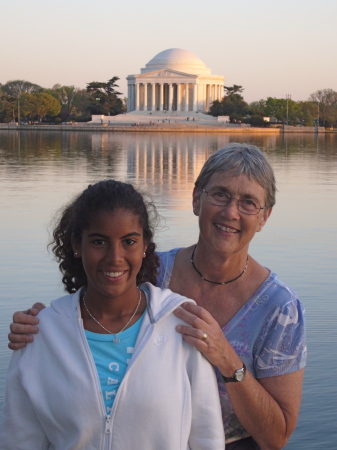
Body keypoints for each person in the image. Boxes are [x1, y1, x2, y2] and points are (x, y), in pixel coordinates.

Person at [8, 144, 307, 450]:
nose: (231, 212)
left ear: (264, 217)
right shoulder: (148, 271)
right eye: (220, 195)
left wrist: (228, 359)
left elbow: (276, 438)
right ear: (196, 199)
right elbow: (92, 304)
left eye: (248, 203)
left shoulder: (280, 308)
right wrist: (42, 326)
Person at [1, 180, 225, 450]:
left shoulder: (182, 324)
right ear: (76, 244)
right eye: (99, 242)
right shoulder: (40, 335)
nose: (115, 257)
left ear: (145, 245)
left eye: (129, 241)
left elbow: (207, 439)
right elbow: (19, 441)